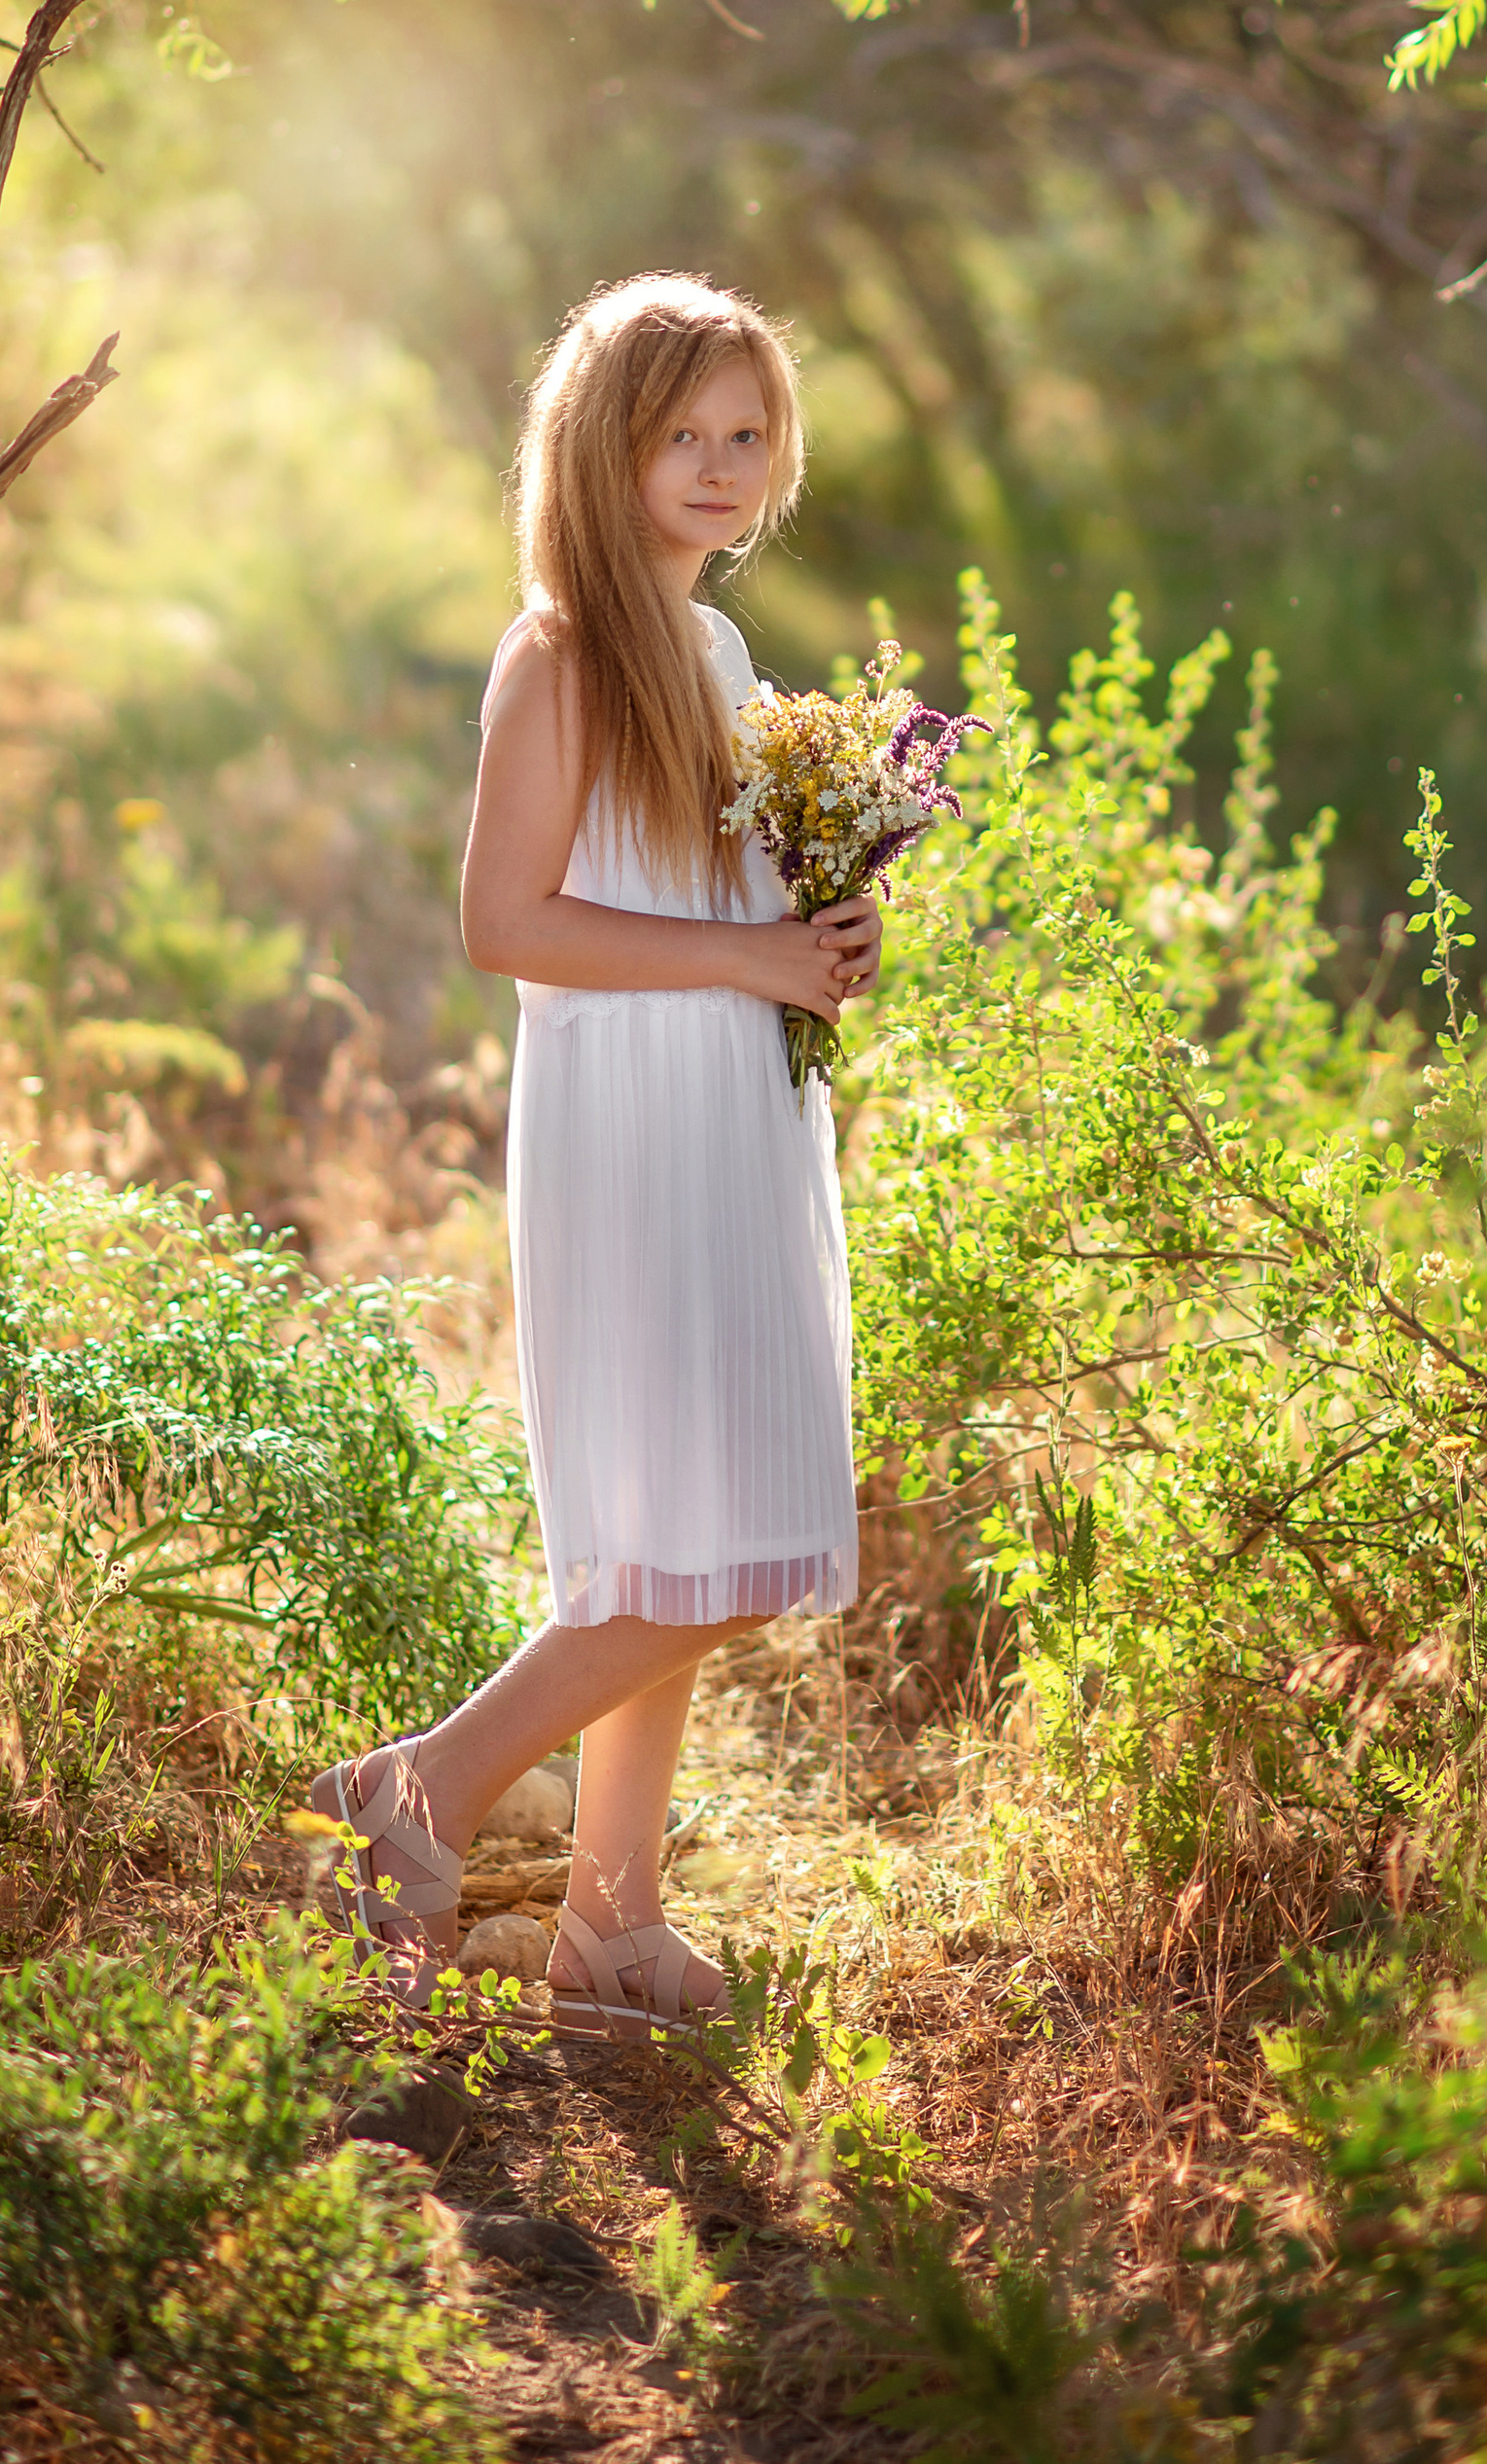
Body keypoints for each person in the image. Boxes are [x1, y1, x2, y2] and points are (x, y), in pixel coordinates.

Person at [307, 270, 874, 2029]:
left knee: (685, 1541)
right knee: (712, 1543)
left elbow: (709, 886)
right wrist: (743, 952)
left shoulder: (714, 651)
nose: (718, 463)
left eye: (745, 432)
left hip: (730, 1099)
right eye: (680, 432)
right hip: (632, 1114)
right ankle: (418, 1797)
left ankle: (610, 1924)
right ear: (602, 447)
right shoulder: (559, 649)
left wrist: (826, 925)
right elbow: (505, 918)